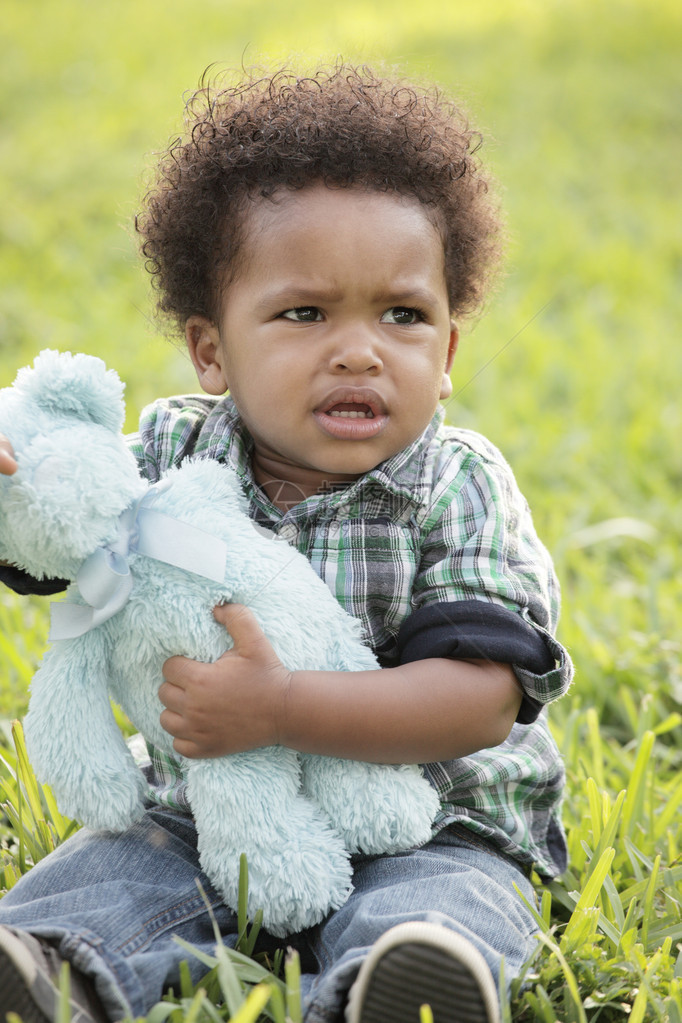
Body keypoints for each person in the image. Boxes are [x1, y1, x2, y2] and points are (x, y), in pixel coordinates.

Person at [0, 65, 572, 1023]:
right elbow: (64, 529)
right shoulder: (175, 450)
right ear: (212, 351)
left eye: (403, 314)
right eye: (305, 313)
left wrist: (282, 706)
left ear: (449, 352)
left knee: (445, 902)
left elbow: (481, 700)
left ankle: (397, 984)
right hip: (217, 808)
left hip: (435, 816)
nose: (360, 350)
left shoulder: (461, 485)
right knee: (115, 875)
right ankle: (51, 966)